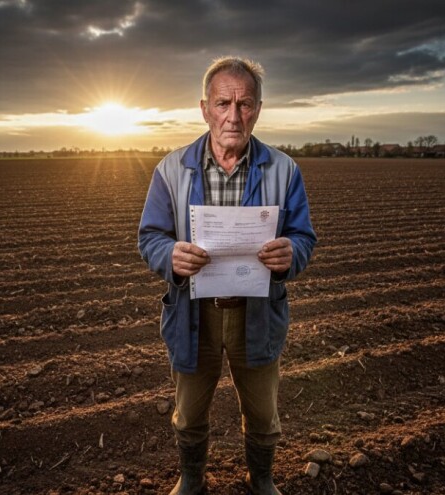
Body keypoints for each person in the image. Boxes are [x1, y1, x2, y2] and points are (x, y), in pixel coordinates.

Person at [138, 56, 317, 495]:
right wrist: (170, 256)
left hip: (257, 314)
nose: (233, 116)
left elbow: (304, 238)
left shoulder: (285, 169)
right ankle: (192, 479)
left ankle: (262, 479)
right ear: (205, 109)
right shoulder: (171, 168)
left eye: (245, 104)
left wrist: (291, 252)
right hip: (192, 314)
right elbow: (150, 236)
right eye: (223, 103)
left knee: (261, 410)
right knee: (190, 409)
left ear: (258, 108)